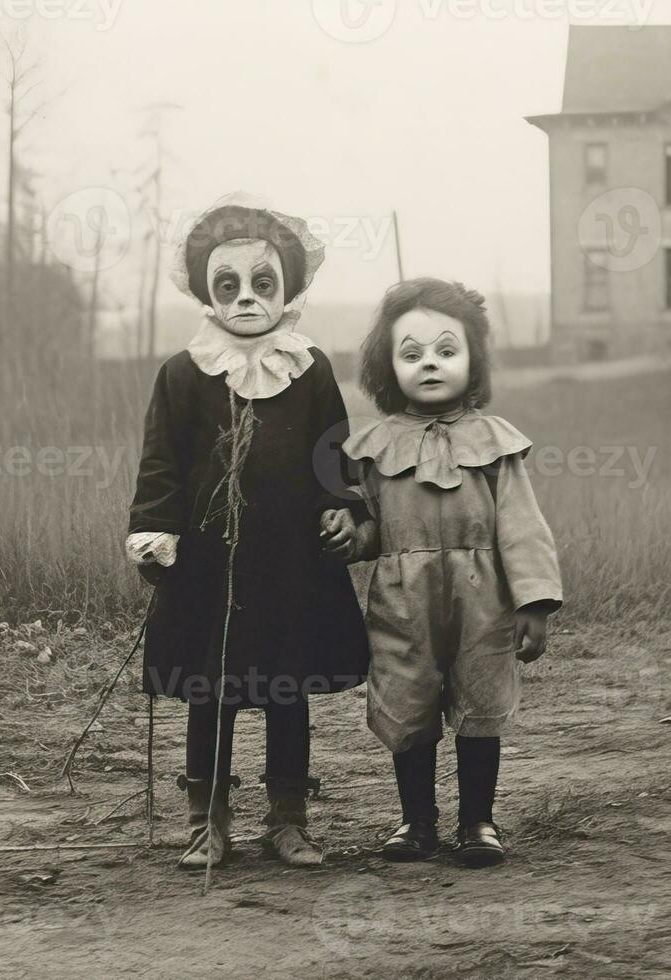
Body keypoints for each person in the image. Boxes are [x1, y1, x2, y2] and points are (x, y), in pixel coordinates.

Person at [127, 201, 369, 870]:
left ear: (287, 288)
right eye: (226, 284)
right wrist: (154, 528)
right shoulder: (184, 373)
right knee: (212, 693)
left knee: (287, 691)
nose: (244, 298)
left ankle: (287, 820)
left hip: (290, 565)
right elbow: (160, 461)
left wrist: (344, 507)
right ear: (204, 289)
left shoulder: (309, 368)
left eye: (262, 283)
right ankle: (207, 821)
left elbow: (333, 452)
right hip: (209, 567)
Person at [325, 277, 562, 866]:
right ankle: (417, 822)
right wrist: (350, 537)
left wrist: (534, 602)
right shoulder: (375, 448)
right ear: (388, 365)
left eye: (445, 350)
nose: (430, 363)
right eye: (412, 353)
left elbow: (522, 526)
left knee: (481, 701)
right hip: (403, 601)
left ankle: (478, 823)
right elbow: (375, 527)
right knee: (408, 700)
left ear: (473, 358)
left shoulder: (495, 442)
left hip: (484, 598)